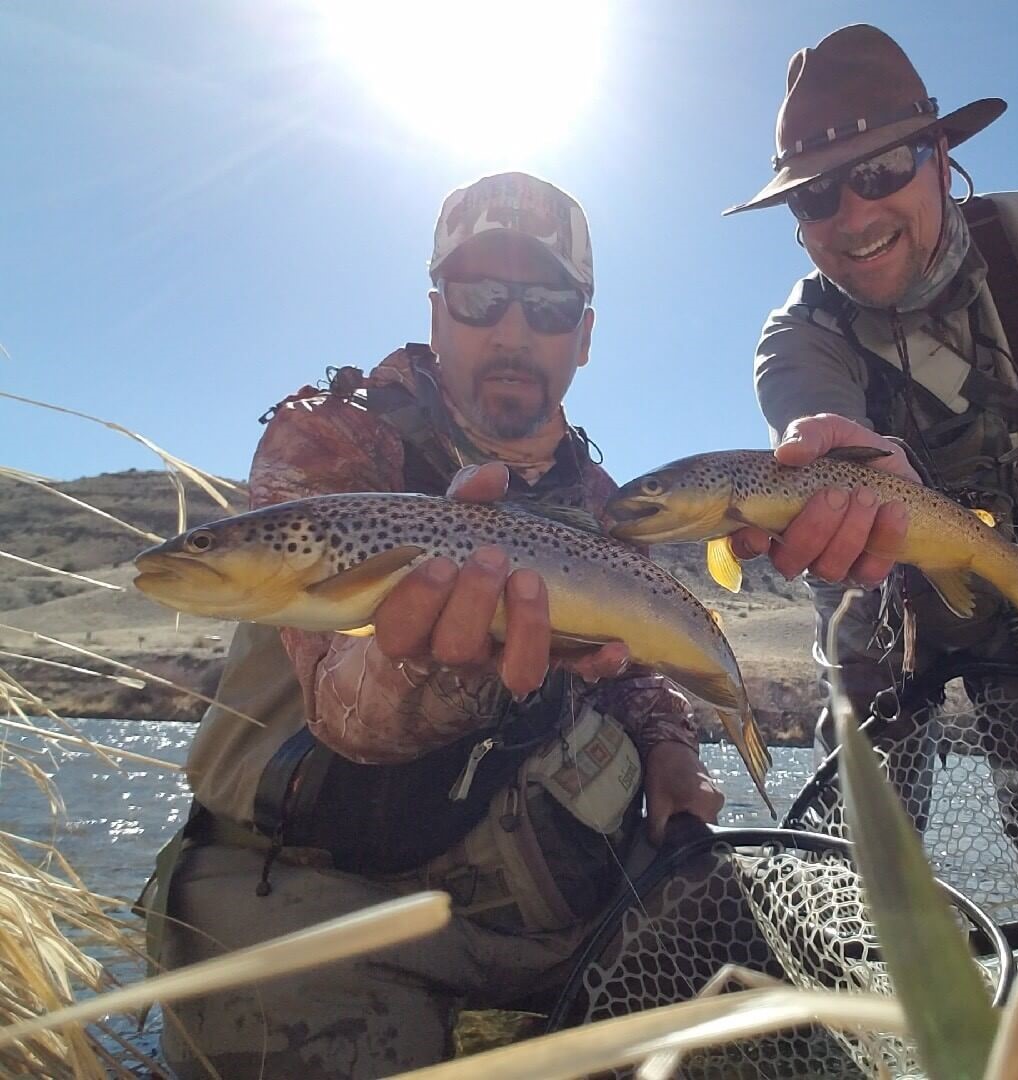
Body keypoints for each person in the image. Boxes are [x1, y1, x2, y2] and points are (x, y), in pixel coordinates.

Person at [143, 172, 724, 1078]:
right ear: (436, 309)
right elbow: (346, 704)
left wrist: (672, 750)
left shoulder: (602, 505)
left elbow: (637, 668)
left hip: (552, 904)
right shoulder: (332, 442)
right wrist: (437, 667)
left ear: (585, 334)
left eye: (547, 304)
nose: (511, 329)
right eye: (480, 295)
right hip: (311, 902)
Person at [722, 26, 1018, 913]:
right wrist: (858, 465)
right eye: (813, 198)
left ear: (939, 155)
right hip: (878, 600)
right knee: (866, 865)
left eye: (883, 169)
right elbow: (817, 417)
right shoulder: (795, 340)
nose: (852, 216)